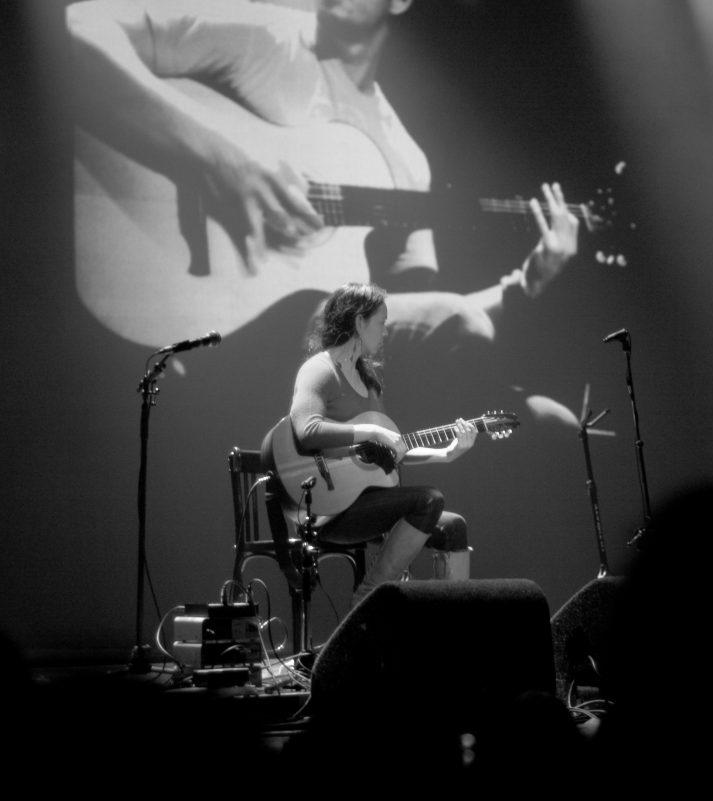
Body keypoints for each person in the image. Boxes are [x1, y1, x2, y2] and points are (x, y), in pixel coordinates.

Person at [66, 0, 579, 356]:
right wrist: (215, 157)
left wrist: (525, 283)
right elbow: (76, 27)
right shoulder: (264, 37)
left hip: (314, 349)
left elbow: (422, 318)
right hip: (201, 319)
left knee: (523, 391)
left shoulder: (405, 158)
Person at [287, 282, 477, 605]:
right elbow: (306, 429)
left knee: (453, 526)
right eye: (381, 322)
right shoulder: (319, 371)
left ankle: (450, 626)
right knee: (428, 500)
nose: (385, 331)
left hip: (372, 502)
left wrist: (446, 453)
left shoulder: (369, 380)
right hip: (332, 508)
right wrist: (370, 432)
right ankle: (369, 597)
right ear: (359, 322)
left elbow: (389, 450)